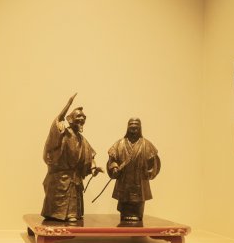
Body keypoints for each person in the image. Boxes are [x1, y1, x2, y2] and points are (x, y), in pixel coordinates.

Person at [41, 93, 103, 222]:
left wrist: (93, 168)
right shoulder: (62, 133)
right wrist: (68, 104)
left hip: (75, 179)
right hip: (60, 178)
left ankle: (71, 214)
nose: (82, 119)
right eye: (78, 116)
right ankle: (55, 214)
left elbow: (90, 156)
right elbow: (57, 121)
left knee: (74, 206)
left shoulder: (83, 140)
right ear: (70, 119)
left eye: (83, 117)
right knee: (56, 206)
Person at [106, 118, 160, 223]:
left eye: (136, 128)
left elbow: (154, 162)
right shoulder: (119, 144)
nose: (134, 130)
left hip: (139, 180)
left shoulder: (147, 144)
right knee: (124, 199)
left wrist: (149, 172)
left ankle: (138, 215)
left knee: (138, 200)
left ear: (140, 129)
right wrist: (114, 168)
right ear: (128, 128)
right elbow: (112, 159)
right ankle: (124, 214)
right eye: (131, 128)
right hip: (124, 179)